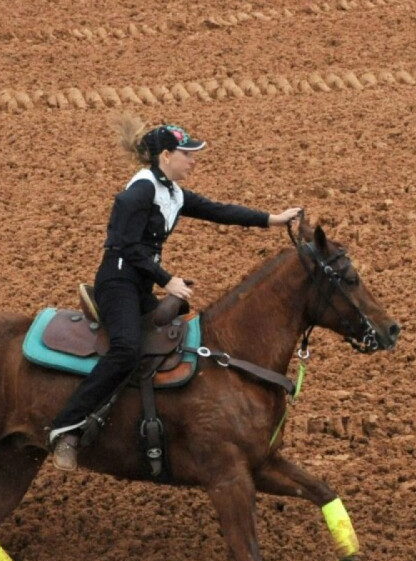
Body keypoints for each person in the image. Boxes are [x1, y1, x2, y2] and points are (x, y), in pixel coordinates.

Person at [48, 115, 302, 471]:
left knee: (171, 341)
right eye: (187, 154)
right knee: (124, 350)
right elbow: (124, 245)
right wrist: (166, 279)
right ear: (166, 156)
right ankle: (67, 428)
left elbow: (219, 211)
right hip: (117, 283)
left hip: (138, 285)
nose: (193, 161)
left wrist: (272, 219)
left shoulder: (173, 192)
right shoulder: (139, 191)